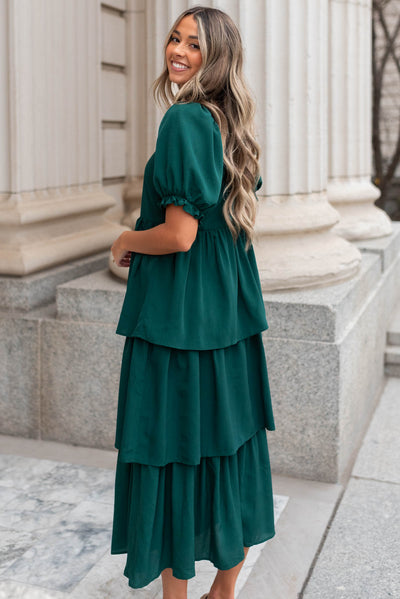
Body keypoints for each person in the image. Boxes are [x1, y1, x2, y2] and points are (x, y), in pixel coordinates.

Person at [110, 6, 276, 599]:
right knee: (228, 448)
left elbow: (178, 236)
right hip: (225, 320)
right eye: (174, 38)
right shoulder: (230, 123)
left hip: (179, 319)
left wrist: (127, 238)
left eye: (194, 45)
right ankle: (222, 592)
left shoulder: (183, 122)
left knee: (171, 450)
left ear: (217, 57)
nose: (177, 50)